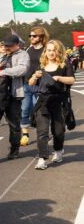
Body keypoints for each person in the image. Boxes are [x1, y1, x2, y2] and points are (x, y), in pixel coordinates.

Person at [0, 34, 30, 165]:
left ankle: (14, 147)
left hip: (13, 95)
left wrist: (3, 71)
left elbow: (22, 69)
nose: (6, 48)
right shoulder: (0, 56)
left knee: (14, 125)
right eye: (5, 45)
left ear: (17, 45)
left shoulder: (23, 55)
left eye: (9, 46)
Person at [29, 40, 74, 170]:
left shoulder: (64, 65)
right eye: (48, 50)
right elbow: (31, 83)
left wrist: (58, 78)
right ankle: (42, 158)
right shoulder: (41, 65)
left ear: (59, 51)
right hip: (43, 102)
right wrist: (34, 76)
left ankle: (58, 150)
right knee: (42, 131)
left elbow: (72, 80)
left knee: (59, 131)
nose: (51, 53)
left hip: (59, 101)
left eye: (53, 50)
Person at [20, 26, 50, 146]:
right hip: (27, 83)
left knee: (38, 111)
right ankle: (25, 134)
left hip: (40, 85)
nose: (31, 38)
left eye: (34, 36)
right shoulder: (28, 49)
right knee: (24, 109)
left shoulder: (46, 49)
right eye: (30, 36)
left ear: (41, 37)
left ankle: (42, 133)